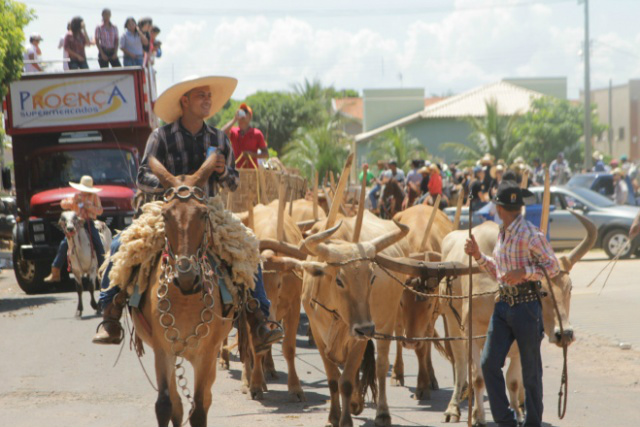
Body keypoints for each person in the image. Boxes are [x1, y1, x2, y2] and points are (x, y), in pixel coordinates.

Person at [93, 76, 283, 352]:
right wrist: (174, 187)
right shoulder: (161, 136)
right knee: (119, 245)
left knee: (249, 246)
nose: (207, 100)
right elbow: (143, 176)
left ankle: (260, 318)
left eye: (209, 96)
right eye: (200, 96)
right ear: (185, 101)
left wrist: (221, 171)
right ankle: (110, 315)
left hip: (209, 209)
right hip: (166, 209)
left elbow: (233, 182)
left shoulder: (218, 138)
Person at [465, 180, 560, 427]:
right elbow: (499, 271)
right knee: (488, 363)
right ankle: (505, 421)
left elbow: (553, 267)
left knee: (530, 370)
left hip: (527, 307)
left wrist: (525, 272)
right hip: (503, 304)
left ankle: (532, 423)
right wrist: (478, 256)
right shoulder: (503, 232)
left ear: (500, 208)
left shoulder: (530, 234)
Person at [44, 176, 105, 282]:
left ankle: (103, 270)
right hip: (75, 223)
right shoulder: (76, 196)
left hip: (88, 222)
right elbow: (63, 204)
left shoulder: (94, 197)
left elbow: (100, 211)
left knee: (98, 242)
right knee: (64, 244)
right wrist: (73, 202)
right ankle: (55, 271)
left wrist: (89, 207)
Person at [222, 103, 268, 169]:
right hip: (236, 171)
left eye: (245, 112)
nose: (242, 114)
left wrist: (252, 154)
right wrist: (234, 119)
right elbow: (221, 133)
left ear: (250, 117)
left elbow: (266, 154)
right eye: (241, 112)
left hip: (252, 172)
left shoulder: (257, 133)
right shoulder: (233, 131)